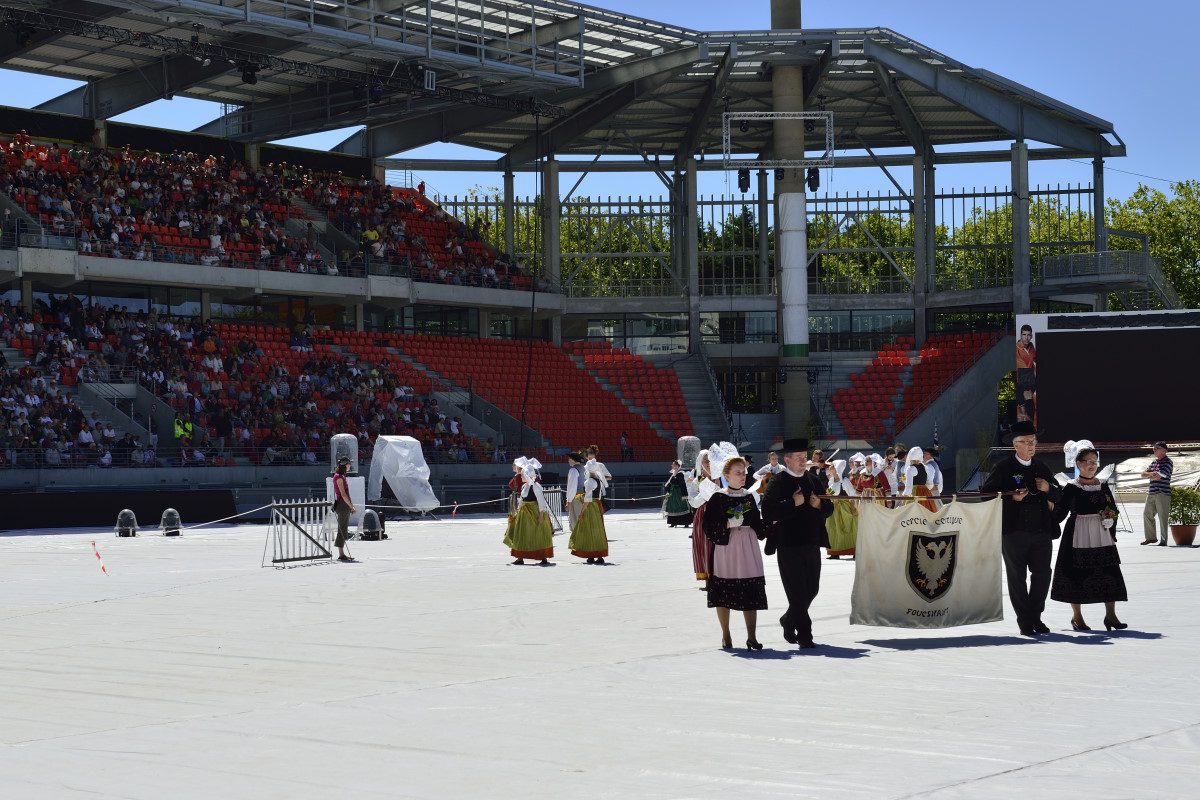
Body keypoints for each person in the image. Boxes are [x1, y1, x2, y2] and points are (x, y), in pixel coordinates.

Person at [980, 421, 1061, 636]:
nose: (1032, 446)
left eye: (1033, 442)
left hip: (1041, 531)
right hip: (1013, 532)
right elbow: (985, 496)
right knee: (1017, 578)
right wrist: (1011, 497)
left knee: (1043, 574)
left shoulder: (1041, 467)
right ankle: (1025, 620)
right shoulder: (1003, 467)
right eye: (1026, 442)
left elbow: (1059, 495)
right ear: (1016, 445)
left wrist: (1048, 488)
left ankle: (1036, 616)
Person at [761, 438, 834, 648]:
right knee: (797, 591)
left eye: (805, 457)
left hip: (812, 542)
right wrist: (793, 503)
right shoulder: (778, 481)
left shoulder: (814, 480)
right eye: (799, 458)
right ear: (787, 460)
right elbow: (767, 512)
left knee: (812, 589)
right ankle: (805, 635)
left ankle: (788, 619)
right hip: (788, 544)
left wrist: (820, 504)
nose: (804, 461)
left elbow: (829, 509)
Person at [1051, 444, 1129, 631]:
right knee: (1075, 575)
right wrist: (1046, 504)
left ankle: (1111, 616)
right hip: (1077, 534)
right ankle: (1077, 618)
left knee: (1109, 573)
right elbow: (1060, 513)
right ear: (1078, 464)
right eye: (1089, 462)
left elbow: (1112, 508)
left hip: (1102, 533)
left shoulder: (1102, 486)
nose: (1093, 465)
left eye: (1095, 462)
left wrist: (1111, 518)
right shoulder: (1070, 487)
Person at [703, 455, 767, 650]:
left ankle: (752, 636)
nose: (742, 476)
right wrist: (727, 523)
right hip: (726, 548)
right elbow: (708, 526)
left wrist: (771, 523)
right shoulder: (718, 497)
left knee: (751, 590)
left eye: (744, 472)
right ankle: (726, 634)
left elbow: (758, 524)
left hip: (748, 547)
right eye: (738, 473)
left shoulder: (748, 496)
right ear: (726, 476)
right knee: (723, 590)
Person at [503, 457, 553, 565]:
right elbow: (522, 500)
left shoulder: (536, 486)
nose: (520, 477)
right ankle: (520, 557)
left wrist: (541, 515)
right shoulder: (524, 487)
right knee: (522, 534)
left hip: (534, 512)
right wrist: (517, 511)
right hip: (524, 513)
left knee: (538, 534)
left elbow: (541, 501)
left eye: (522, 475)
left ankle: (543, 556)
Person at [570, 453, 610, 564]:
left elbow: (588, 499)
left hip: (591, 507)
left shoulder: (589, 482)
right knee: (597, 529)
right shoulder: (598, 480)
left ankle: (591, 553)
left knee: (588, 530)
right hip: (597, 505)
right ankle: (597, 554)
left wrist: (581, 511)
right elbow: (597, 496)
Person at [687, 448, 715, 586]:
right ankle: (708, 579)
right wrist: (705, 494)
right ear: (700, 462)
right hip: (703, 514)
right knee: (704, 546)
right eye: (705, 461)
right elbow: (692, 501)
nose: (708, 463)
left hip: (718, 513)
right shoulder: (697, 480)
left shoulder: (722, 477)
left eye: (710, 460)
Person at [1141, 441, 1173, 546]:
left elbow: (1159, 476)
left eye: (1156, 448)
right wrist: (1152, 474)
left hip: (1162, 493)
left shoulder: (1168, 462)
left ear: (1163, 451)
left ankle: (1163, 540)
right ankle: (1151, 538)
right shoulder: (1154, 462)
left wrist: (1150, 474)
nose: (1154, 450)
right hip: (1152, 492)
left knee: (1162, 516)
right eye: (1153, 448)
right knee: (1147, 514)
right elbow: (1142, 474)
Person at [332, 455, 356, 561]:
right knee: (342, 529)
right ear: (345, 465)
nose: (350, 465)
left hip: (343, 505)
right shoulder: (339, 477)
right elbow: (343, 494)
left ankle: (342, 553)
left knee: (343, 529)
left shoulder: (340, 476)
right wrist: (351, 506)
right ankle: (341, 554)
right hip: (342, 505)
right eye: (349, 464)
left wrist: (351, 505)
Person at [663, 460, 692, 527]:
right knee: (672, 507)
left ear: (677, 466)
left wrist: (674, 481)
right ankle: (673, 522)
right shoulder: (673, 473)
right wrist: (668, 492)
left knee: (681, 506)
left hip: (678, 493)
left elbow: (680, 483)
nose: (672, 466)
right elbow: (670, 484)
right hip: (673, 494)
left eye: (673, 465)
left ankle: (685, 522)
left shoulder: (680, 474)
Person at [565, 451, 587, 531]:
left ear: (572, 460)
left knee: (575, 519)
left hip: (577, 496)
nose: (568, 461)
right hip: (583, 495)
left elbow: (571, 487)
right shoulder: (583, 468)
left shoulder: (573, 470)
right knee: (582, 517)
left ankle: (578, 539)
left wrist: (568, 501)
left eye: (569, 459)